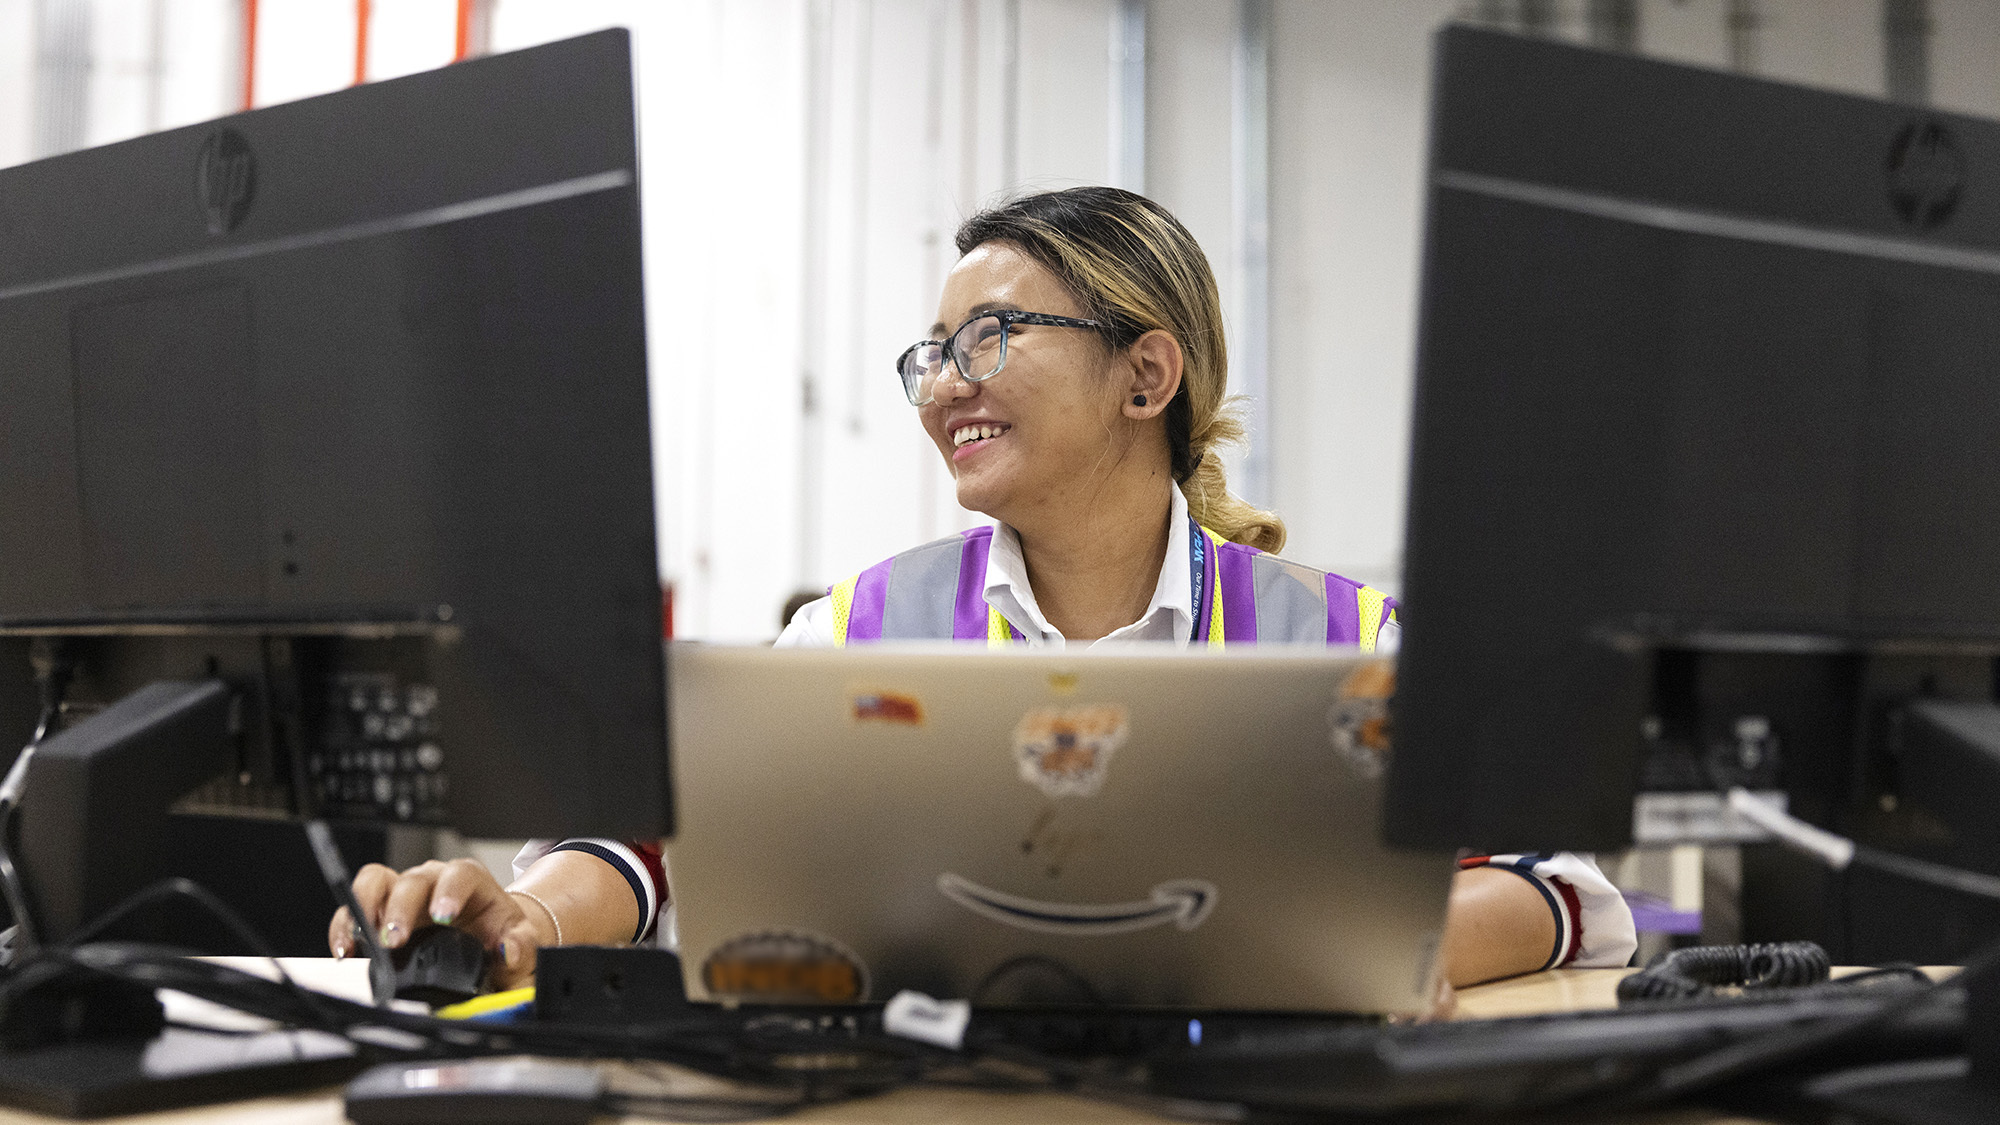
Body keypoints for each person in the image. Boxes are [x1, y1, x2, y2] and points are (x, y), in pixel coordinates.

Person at [329, 186, 1636, 999]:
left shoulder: (1350, 635)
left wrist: (1387, 955)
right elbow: (662, 853)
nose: (946, 382)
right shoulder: (849, 631)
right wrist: (530, 916)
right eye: (930, 355)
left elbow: (1567, 885)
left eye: (992, 337)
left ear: (1145, 374)